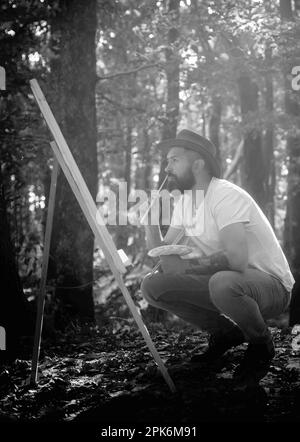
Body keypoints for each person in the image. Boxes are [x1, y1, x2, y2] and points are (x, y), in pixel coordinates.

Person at [141, 129, 295, 386]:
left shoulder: (225, 195)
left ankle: (261, 345)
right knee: (152, 286)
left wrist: (188, 266)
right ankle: (224, 333)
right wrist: (149, 224)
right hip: (227, 282)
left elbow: (237, 260)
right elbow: (164, 259)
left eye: (174, 160)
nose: (167, 167)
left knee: (222, 282)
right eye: (167, 161)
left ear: (198, 163)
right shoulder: (186, 202)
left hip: (272, 286)